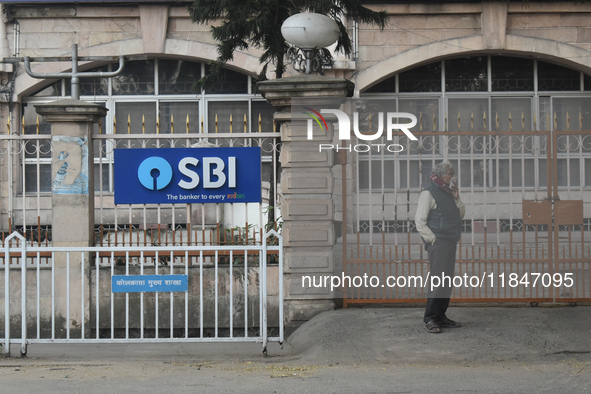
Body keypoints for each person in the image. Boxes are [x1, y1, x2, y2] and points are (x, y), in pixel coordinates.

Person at [414, 162, 466, 333]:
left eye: (452, 173)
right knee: (438, 279)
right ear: (440, 174)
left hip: (449, 240)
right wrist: (433, 240)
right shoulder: (429, 192)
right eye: (450, 173)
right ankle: (430, 318)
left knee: (446, 280)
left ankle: (440, 316)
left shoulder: (447, 192)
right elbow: (420, 221)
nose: (452, 177)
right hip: (439, 242)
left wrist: (457, 197)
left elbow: (460, 215)